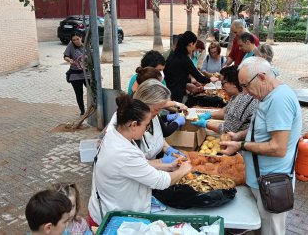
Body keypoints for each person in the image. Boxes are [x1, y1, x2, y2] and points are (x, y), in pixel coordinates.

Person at [220, 57, 302, 235]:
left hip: (273, 184)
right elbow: (261, 128)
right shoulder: (266, 95)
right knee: (260, 228)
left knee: (270, 231)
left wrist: (241, 145)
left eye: (246, 86)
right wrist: (239, 135)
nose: (246, 92)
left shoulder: (279, 100)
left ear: (262, 77)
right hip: (261, 180)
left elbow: (278, 148)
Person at [88, 94, 192, 226]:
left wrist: (168, 166)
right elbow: (160, 181)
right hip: (112, 219)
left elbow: (137, 166)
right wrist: (184, 169)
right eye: (146, 126)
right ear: (133, 125)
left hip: (109, 205)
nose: (146, 130)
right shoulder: (123, 152)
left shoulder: (116, 134)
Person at [106, 79, 187, 167]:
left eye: (161, 108)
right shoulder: (126, 123)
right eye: (157, 109)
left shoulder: (151, 112)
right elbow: (133, 164)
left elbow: (156, 134)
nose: (159, 112)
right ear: (144, 103)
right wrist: (162, 162)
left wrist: (167, 148)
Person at [191, 65, 257, 134]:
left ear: (233, 83)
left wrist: (206, 124)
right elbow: (226, 111)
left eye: (223, 83)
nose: (222, 87)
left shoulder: (242, 100)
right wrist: (210, 115)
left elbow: (227, 129)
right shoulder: (235, 96)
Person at [164, 31, 218, 103]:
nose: (194, 48)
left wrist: (187, 83)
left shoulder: (173, 55)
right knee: (177, 111)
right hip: (177, 94)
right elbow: (199, 77)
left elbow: (177, 75)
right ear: (190, 44)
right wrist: (210, 79)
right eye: (195, 44)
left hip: (168, 90)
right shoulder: (185, 59)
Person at [63, 32, 90, 116]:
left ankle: (94, 108)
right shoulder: (71, 45)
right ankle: (82, 112)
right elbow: (65, 56)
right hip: (75, 75)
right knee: (79, 94)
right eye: (73, 40)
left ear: (81, 37)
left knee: (92, 91)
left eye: (77, 39)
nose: (76, 41)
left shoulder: (86, 45)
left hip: (87, 73)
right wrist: (69, 60)